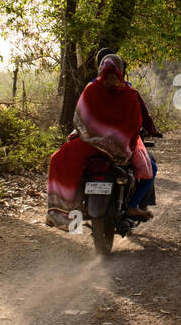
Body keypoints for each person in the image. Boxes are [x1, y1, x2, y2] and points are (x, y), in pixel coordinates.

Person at [46, 52, 158, 228]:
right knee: (148, 166)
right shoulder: (129, 93)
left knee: (58, 159)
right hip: (120, 148)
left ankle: (61, 211)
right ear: (121, 71)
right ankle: (133, 205)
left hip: (90, 145)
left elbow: (81, 118)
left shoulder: (91, 89)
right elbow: (137, 122)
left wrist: (87, 134)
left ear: (100, 69)